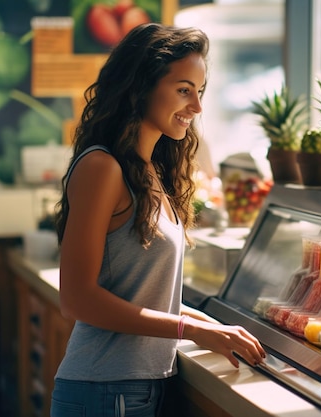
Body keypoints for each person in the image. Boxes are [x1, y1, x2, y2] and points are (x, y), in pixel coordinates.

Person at [50, 23, 266, 417]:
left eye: (199, 92)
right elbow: (76, 299)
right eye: (184, 90)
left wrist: (211, 326)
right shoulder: (102, 167)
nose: (197, 107)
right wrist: (192, 330)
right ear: (139, 87)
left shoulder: (150, 171)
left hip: (135, 389)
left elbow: (142, 296)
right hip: (105, 391)